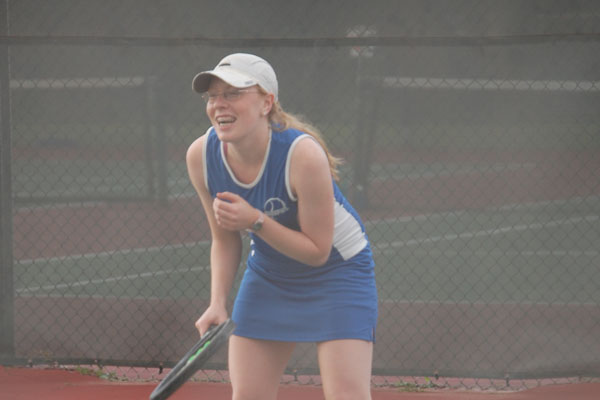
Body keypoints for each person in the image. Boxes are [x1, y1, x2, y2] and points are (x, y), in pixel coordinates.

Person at [187, 53, 378, 400]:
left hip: (339, 273)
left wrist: (256, 221)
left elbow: (318, 252)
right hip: (270, 274)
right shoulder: (201, 156)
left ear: (266, 102)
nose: (219, 104)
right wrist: (217, 303)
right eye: (213, 96)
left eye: (233, 94)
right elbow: (224, 239)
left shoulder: (303, 155)